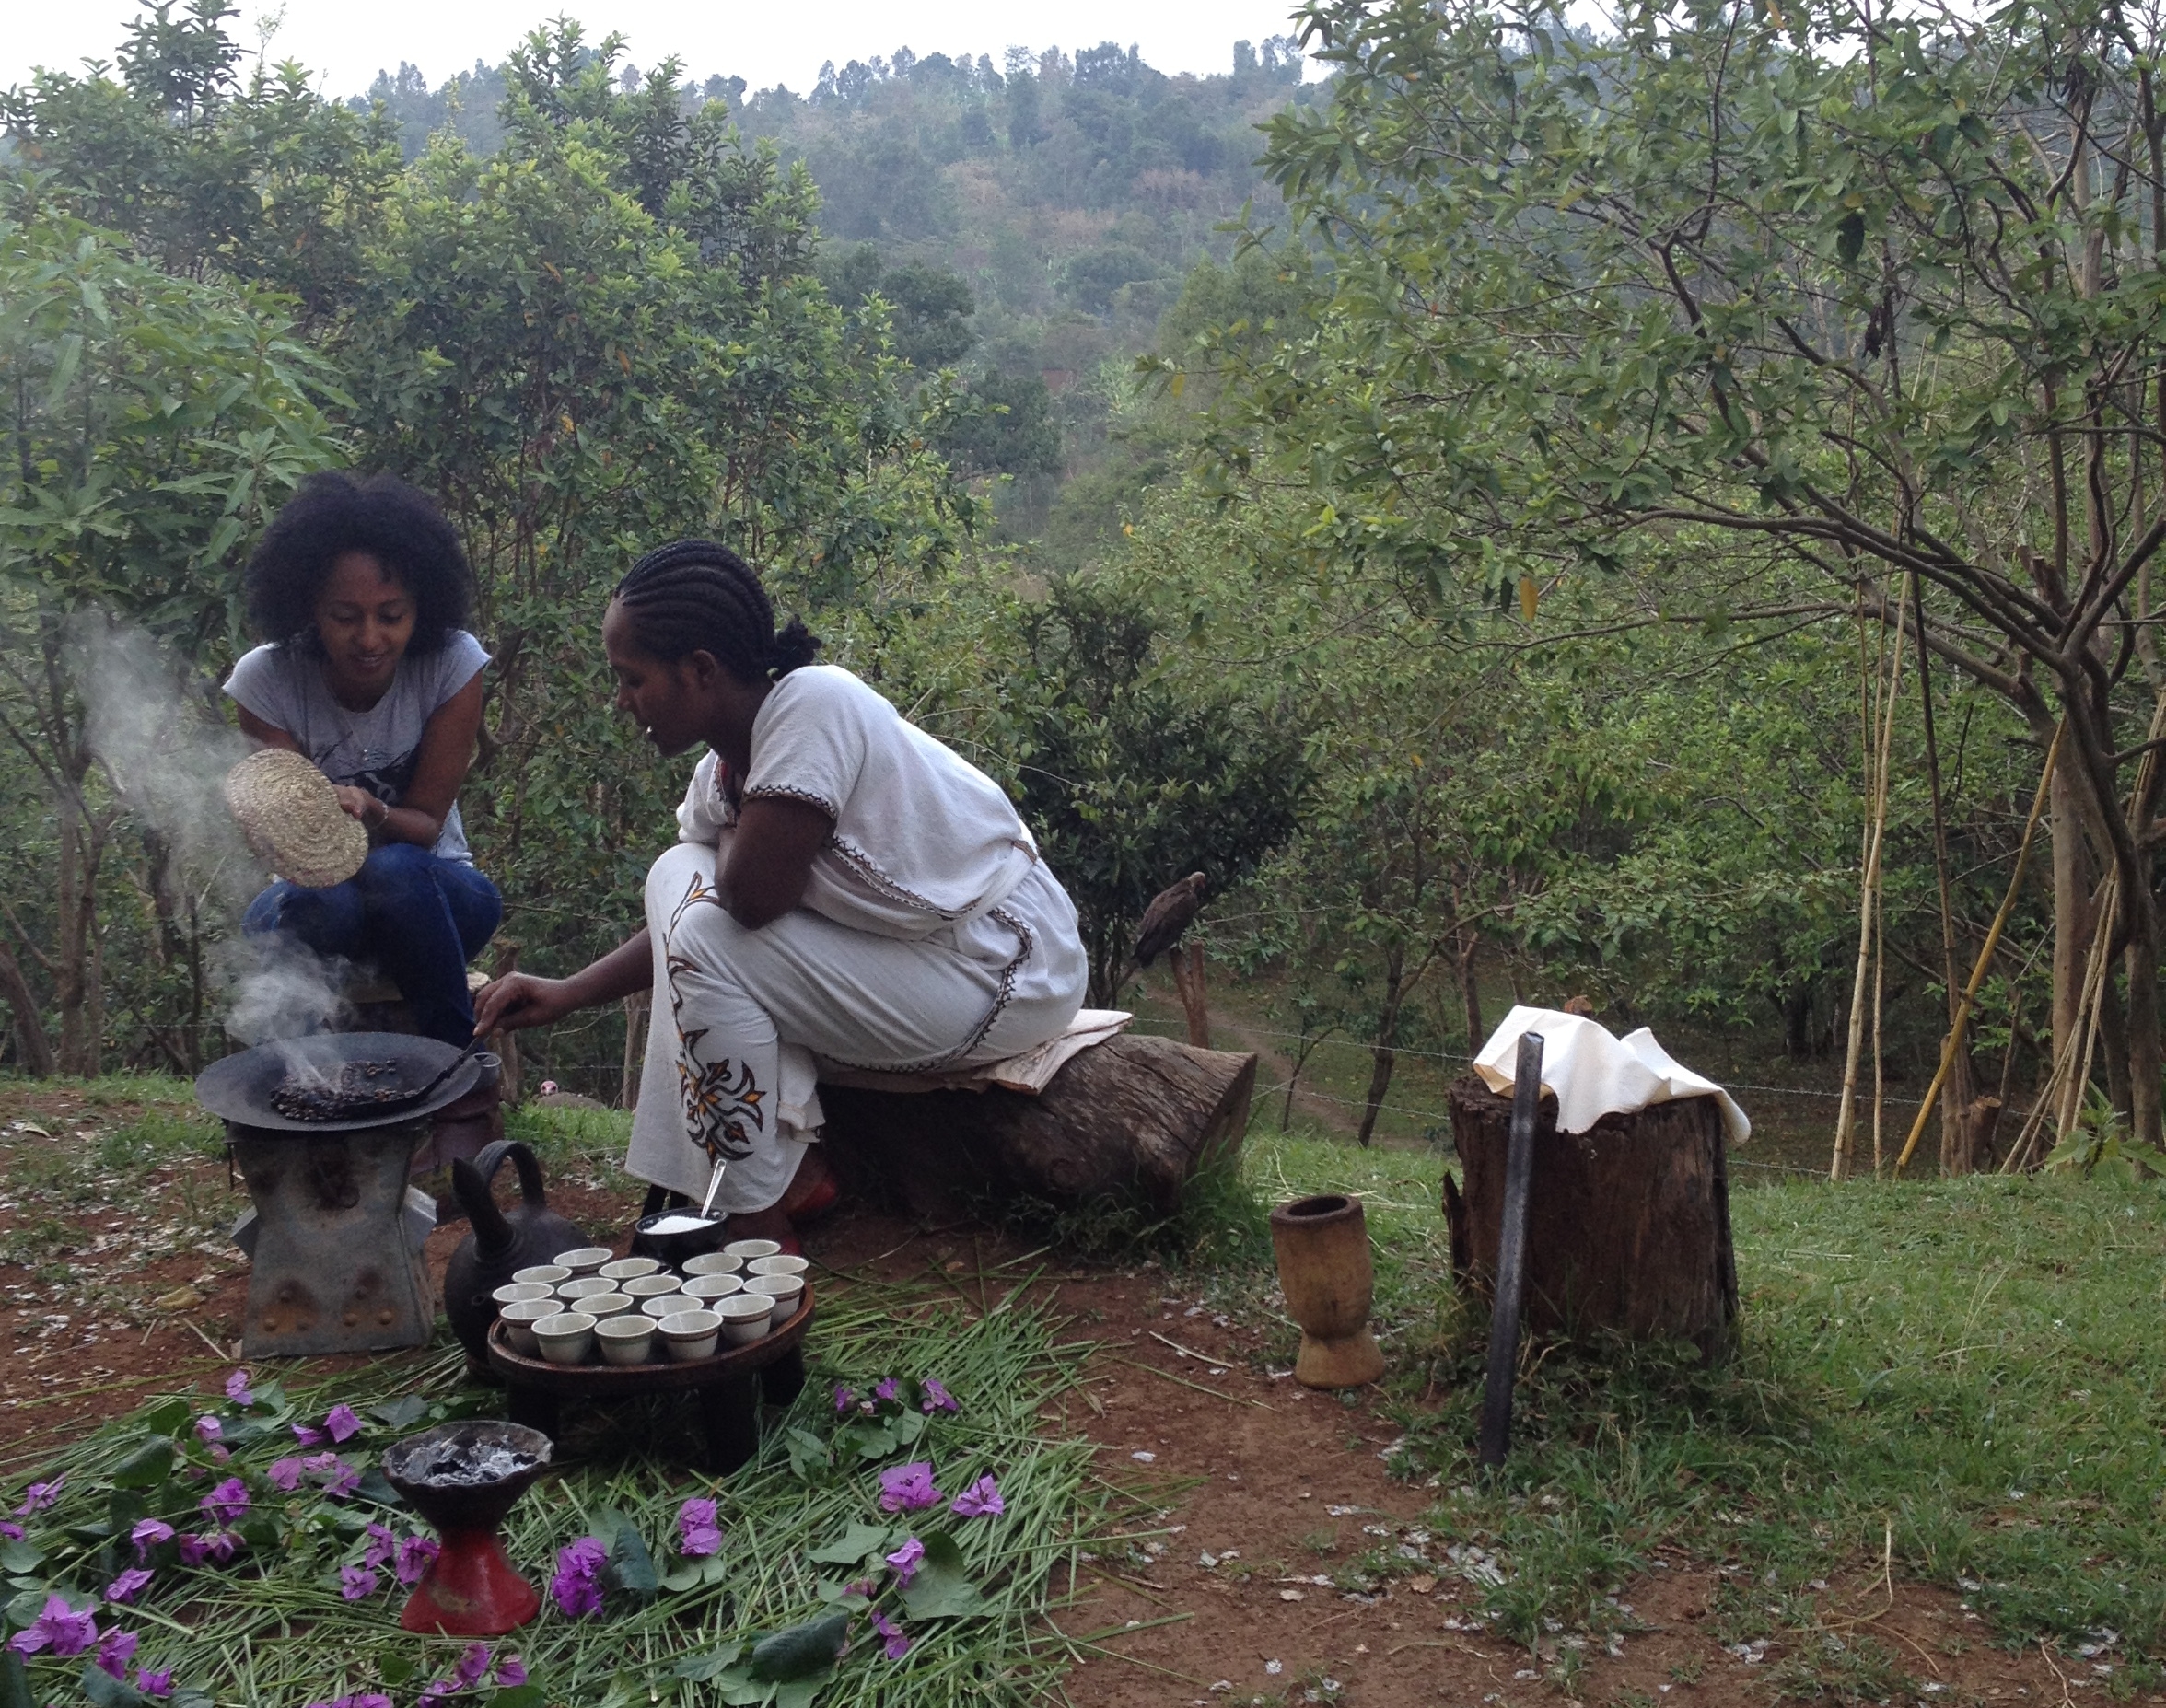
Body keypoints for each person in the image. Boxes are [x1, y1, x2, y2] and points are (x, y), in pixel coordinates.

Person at [473, 539, 1087, 1247]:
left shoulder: (814, 703)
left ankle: (752, 1216)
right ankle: (786, 1175)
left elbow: (750, 902)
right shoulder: (721, 775)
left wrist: (728, 847)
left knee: (707, 926)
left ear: (699, 670)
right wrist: (568, 991)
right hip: (912, 960)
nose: (622, 701)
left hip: (1003, 966)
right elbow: (694, 908)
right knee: (674, 873)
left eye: (632, 678)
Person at [226, 471, 500, 1049]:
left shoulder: (453, 665)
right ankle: (289, 1086)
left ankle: (457, 1070)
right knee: (321, 899)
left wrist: (372, 811)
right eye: (345, 618)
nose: (370, 638)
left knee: (394, 868)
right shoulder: (265, 682)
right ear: (308, 610)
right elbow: (296, 849)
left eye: (391, 614)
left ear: (421, 607)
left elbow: (425, 827)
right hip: (321, 908)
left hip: (438, 901)